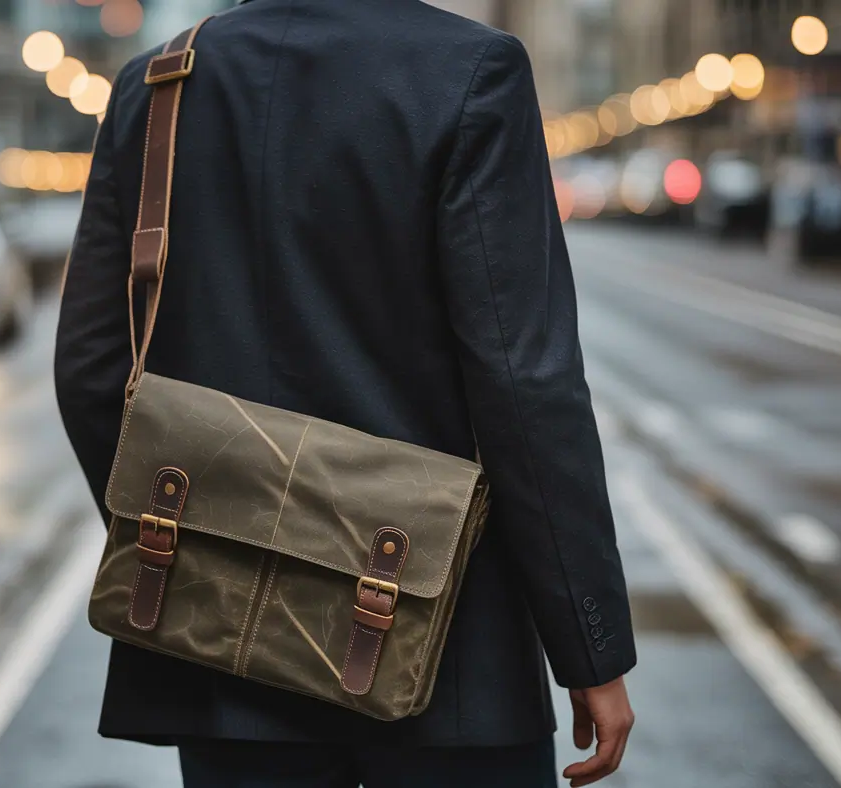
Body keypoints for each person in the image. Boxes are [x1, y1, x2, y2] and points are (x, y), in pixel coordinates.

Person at [54, 0, 636, 785]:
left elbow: (92, 368)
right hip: (443, 646)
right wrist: (589, 648)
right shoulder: (469, 70)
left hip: (227, 659)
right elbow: (524, 380)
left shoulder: (158, 85)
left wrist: (198, 549)